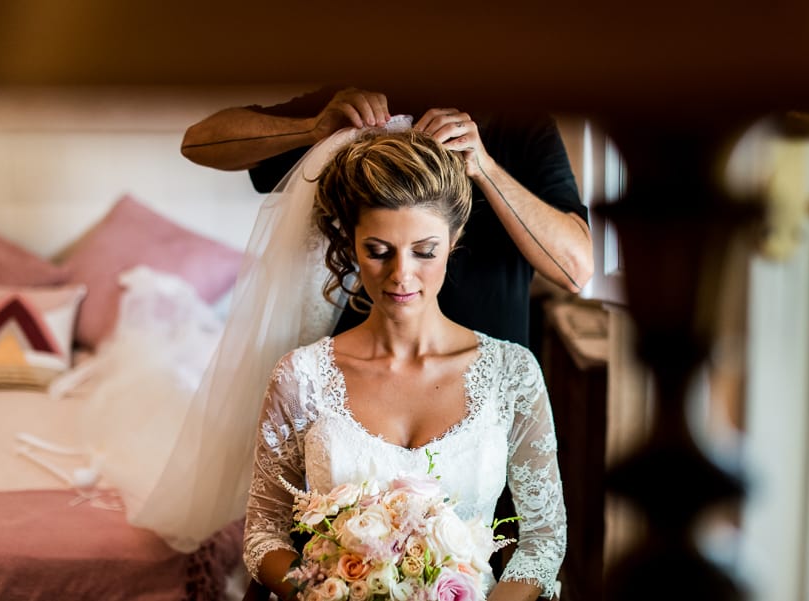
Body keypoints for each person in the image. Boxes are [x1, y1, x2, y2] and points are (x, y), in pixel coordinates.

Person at [242, 130, 566, 601]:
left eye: (424, 251)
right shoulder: (301, 377)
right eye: (378, 251)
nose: (401, 275)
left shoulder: (512, 373)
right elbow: (262, 534)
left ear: (453, 241)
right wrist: (325, 593)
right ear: (351, 242)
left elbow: (543, 539)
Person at [181, 87, 593, 350]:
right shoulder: (356, 103)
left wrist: (484, 168)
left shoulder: (519, 120)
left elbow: (575, 270)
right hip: (359, 368)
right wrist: (311, 129)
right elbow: (198, 143)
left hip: (480, 368)